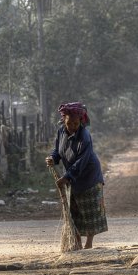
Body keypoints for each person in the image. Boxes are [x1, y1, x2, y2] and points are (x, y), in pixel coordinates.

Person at [46, 102, 107, 249]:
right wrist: (52, 158)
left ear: (81, 121)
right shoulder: (61, 132)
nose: (72, 126)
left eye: (75, 123)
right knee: (74, 210)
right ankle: (77, 242)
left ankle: (89, 244)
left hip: (89, 174)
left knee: (90, 209)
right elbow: (57, 150)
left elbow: (82, 160)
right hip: (72, 175)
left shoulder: (85, 136)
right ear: (63, 120)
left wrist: (67, 177)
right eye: (69, 123)